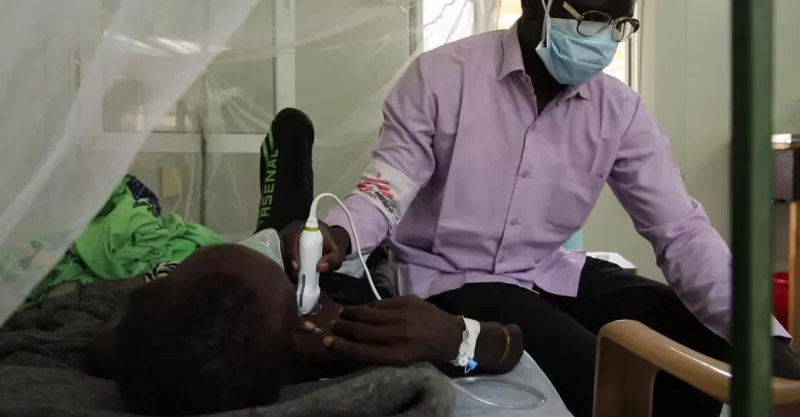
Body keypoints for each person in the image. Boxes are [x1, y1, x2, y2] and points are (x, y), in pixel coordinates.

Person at [279, 0, 800, 417]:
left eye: (620, 25)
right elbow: (387, 187)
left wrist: (766, 334)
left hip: (549, 270)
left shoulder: (618, 112)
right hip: (453, 276)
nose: (605, 39)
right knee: (599, 364)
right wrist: (341, 235)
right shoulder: (442, 77)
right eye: (591, 18)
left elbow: (681, 231)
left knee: (700, 332)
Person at [87, 110, 523, 416]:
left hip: (303, 260)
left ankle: (284, 211)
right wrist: (458, 338)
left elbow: (116, 340)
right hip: (349, 277)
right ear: (304, 326)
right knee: (321, 230)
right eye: (264, 256)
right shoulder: (363, 339)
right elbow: (508, 346)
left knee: (290, 199)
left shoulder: (153, 336)